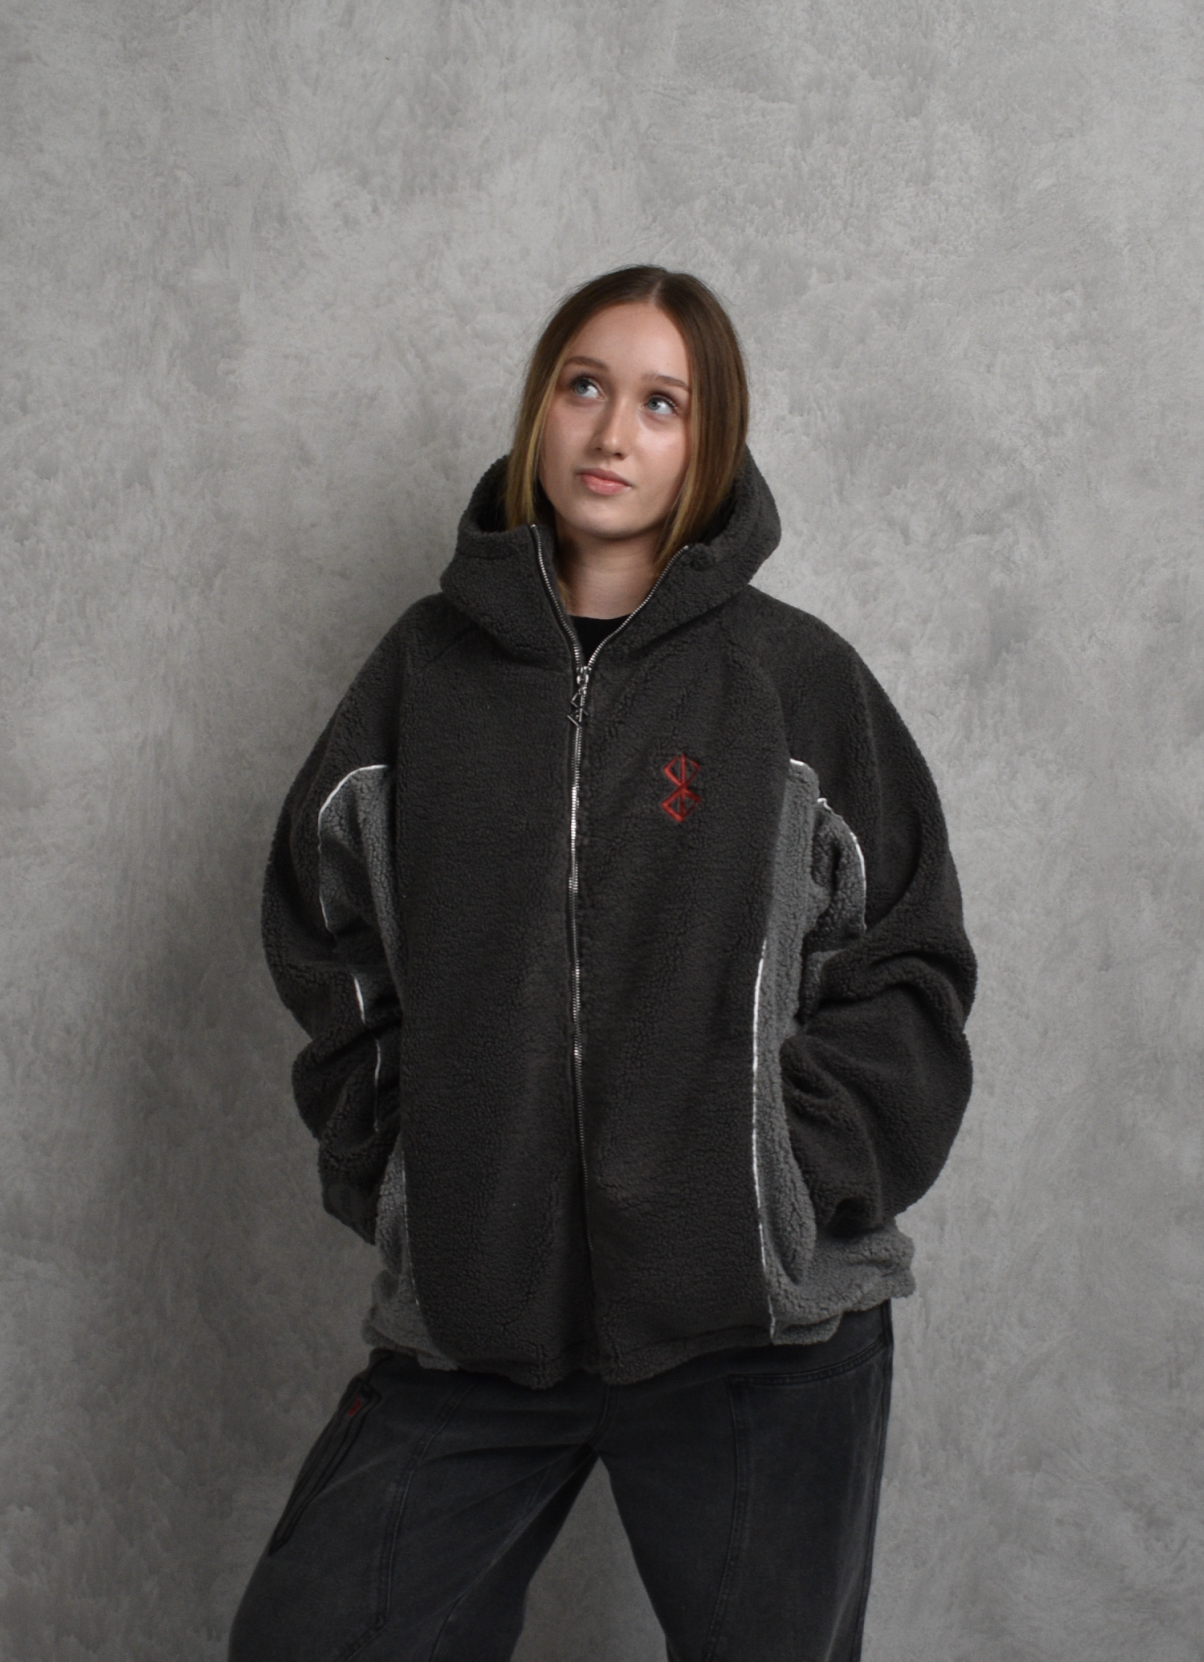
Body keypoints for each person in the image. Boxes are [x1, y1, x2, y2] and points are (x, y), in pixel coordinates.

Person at [229, 266, 976, 1662]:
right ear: (541, 409)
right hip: (482, 1318)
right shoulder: (423, 677)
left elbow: (909, 965)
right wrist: (409, 1170)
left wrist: (778, 1178)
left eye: (661, 403)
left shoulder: (793, 682)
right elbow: (320, 926)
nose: (612, 431)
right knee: (317, 1634)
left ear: (710, 439)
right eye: (584, 385)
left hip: (757, 1334)